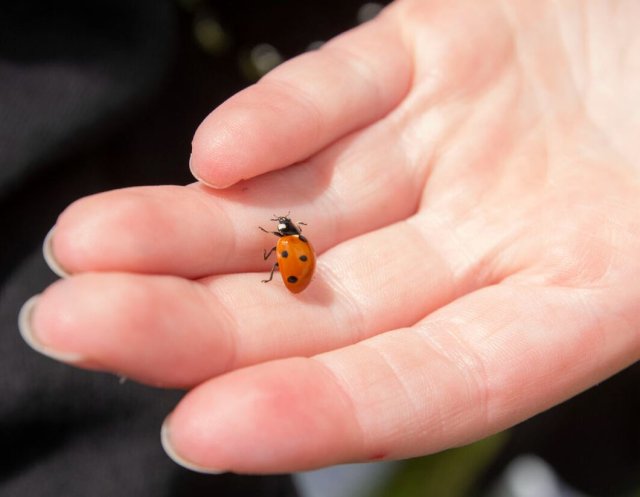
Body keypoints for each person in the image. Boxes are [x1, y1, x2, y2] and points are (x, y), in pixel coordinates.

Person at [17, 0, 640, 479]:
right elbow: (288, 253)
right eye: (287, 236)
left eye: (286, 236)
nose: (285, 237)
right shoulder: (294, 248)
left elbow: (285, 254)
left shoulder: (289, 248)